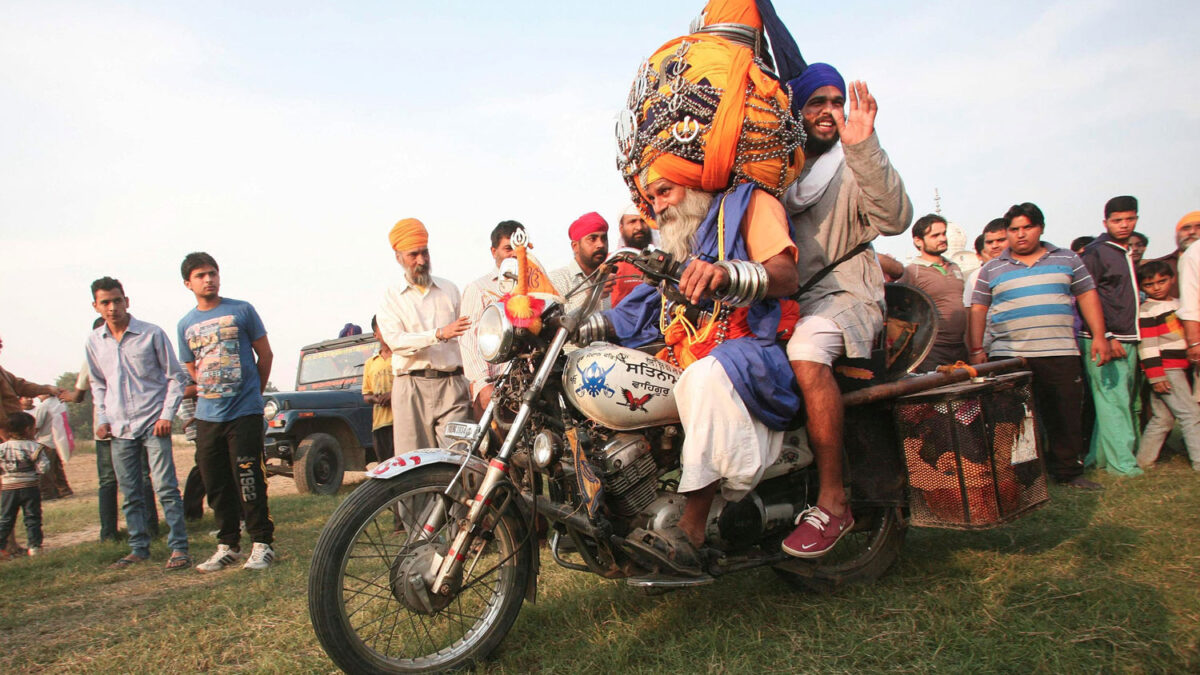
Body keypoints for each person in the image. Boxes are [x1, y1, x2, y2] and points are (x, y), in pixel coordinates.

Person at [780, 64, 913, 556]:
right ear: (796, 110)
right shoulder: (780, 173)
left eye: (837, 102)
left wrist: (864, 146)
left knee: (807, 351)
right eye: (817, 101)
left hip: (848, 296)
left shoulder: (849, 164)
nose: (830, 111)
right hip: (792, 302)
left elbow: (896, 218)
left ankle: (834, 501)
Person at [969, 202, 1111, 489]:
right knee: (1012, 420)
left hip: (1059, 351)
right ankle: (1021, 477)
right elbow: (978, 310)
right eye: (1014, 229)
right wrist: (976, 350)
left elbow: (1087, 296)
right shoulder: (991, 269)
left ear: (1040, 228)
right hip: (1009, 356)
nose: (1020, 234)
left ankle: (1068, 472)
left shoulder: (1068, 259)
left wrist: (1099, 336)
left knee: (1064, 415)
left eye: (1027, 227)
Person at [177, 252, 275, 572]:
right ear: (187, 283)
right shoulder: (185, 324)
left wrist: (253, 396)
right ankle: (228, 545)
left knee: (248, 476)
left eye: (212, 273)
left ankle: (262, 544)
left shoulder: (242, 311)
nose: (209, 279)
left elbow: (265, 354)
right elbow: (192, 368)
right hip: (208, 415)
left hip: (244, 411)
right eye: (201, 275)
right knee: (214, 479)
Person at [86, 277, 190, 570]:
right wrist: (103, 419)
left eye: (117, 300)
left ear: (126, 301)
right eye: (105, 302)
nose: (112, 307)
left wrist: (166, 415)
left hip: (153, 422)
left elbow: (176, 376)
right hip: (120, 428)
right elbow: (98, 384)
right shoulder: (94, 342)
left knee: (166, 487)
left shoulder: (151, 334)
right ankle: (138, 547)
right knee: (131, 491)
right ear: (95, 306)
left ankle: (179, 547)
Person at [377, 219, 472, 454]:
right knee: (414, 463)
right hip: (410, 386)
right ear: (399, 257)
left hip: (452, 385)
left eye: (425, 253)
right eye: (414, 255)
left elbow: (468, 338)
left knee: (460, 456)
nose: (421, 260)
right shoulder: (390, 297)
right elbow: (396, 342)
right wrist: (438, 334)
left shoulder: (450, 290)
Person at [67, 319, 160, 542]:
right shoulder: (128, 350)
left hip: (108, 427)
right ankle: (149, 527)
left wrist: (66, 396)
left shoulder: (92, 358)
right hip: (127, 425)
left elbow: (79, 393)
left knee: (109, 480)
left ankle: (109, 532)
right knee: (141, 477)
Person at [1077, 196, 1142, 477]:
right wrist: (1106, 334)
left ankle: (1098, 458)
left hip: (1128, 335)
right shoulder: (1096, 253)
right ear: (1105, 223)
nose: (1124, 224)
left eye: (1129, 219)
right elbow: (1085, 296)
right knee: (1113, 400)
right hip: (1105, 337)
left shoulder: (1124, 251)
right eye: (1117, 220)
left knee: (1114, 400)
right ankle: (1124, 466)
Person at [1134, 261, 1200, 471]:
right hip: (1167, 369)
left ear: (1172, 279)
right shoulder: (1147, 310)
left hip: (1183, 367)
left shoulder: (1182, 304)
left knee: (1163, 418)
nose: (1157, 287)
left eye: (1162, 281)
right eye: (1149, 284)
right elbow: (1148, 346)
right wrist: (1156, 375)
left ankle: (1144, 461)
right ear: (1142, 287)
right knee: (1190, 414)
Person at [880, 214, 966, 371]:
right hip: (932, 350)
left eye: (943, 233)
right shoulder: (913, 272)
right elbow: (897, 310)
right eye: (935, 235)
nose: (942, 239)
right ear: (918, 241)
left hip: (960, 347)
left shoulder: (955, 267)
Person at [459, 220, 525, 413]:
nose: (514, 254)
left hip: (530, 387)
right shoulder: (480, 289)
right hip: (496, 388)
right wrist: (482, 385)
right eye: (507, 248)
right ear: (493, 251)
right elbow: (468, 339)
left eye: (519, 249)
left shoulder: (536, 288)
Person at [0, 412, 49, 558]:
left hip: (9, 488)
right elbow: (44, 467)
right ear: (28, 429)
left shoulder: (2, 448)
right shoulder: (35, 447)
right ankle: (34, 547)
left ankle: (1, 546)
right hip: (30, 487)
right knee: (32, 517)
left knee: (6, 518)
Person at [549, 212, 612, 315]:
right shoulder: (557, 279)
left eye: (604, 238)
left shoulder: (610, 279)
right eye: (592, 239)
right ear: (575, 246)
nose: (600, 244)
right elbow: (553, 321)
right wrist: (593, 294)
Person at [23, 395, 74, 499]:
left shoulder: (43, 406)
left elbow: (36, 425)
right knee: (57, 468)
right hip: (58, 440)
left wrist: (28, 440)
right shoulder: (61, 404)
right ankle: (64, 490)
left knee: (44, 470)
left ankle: (47, 493)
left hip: (45, 441)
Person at [361, 316, 395, 462]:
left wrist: (393, 395)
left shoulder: (401, 357)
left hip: (400, 421)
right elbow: (366, 394)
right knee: (384, 465)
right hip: (380, 423)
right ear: (375, 335)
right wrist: (377, 399)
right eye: (382, 328)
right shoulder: (370, 363)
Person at [611, 204, 657, 306]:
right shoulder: (611, 260)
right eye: (632, 222)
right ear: (621, 228)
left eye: (643, 221)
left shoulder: (659, 262)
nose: (639, 227)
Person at [963, 219, 1009, 308]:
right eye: (989, 242)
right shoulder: (982, 274)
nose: (994, 246)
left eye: (1001, 240)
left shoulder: (1025, 266)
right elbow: (974, 309)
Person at [1152, 211, 1200, 297]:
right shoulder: (1158, 265)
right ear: (1177, 235)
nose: (1192, 232)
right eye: (1186, 228)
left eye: (1199, 227)